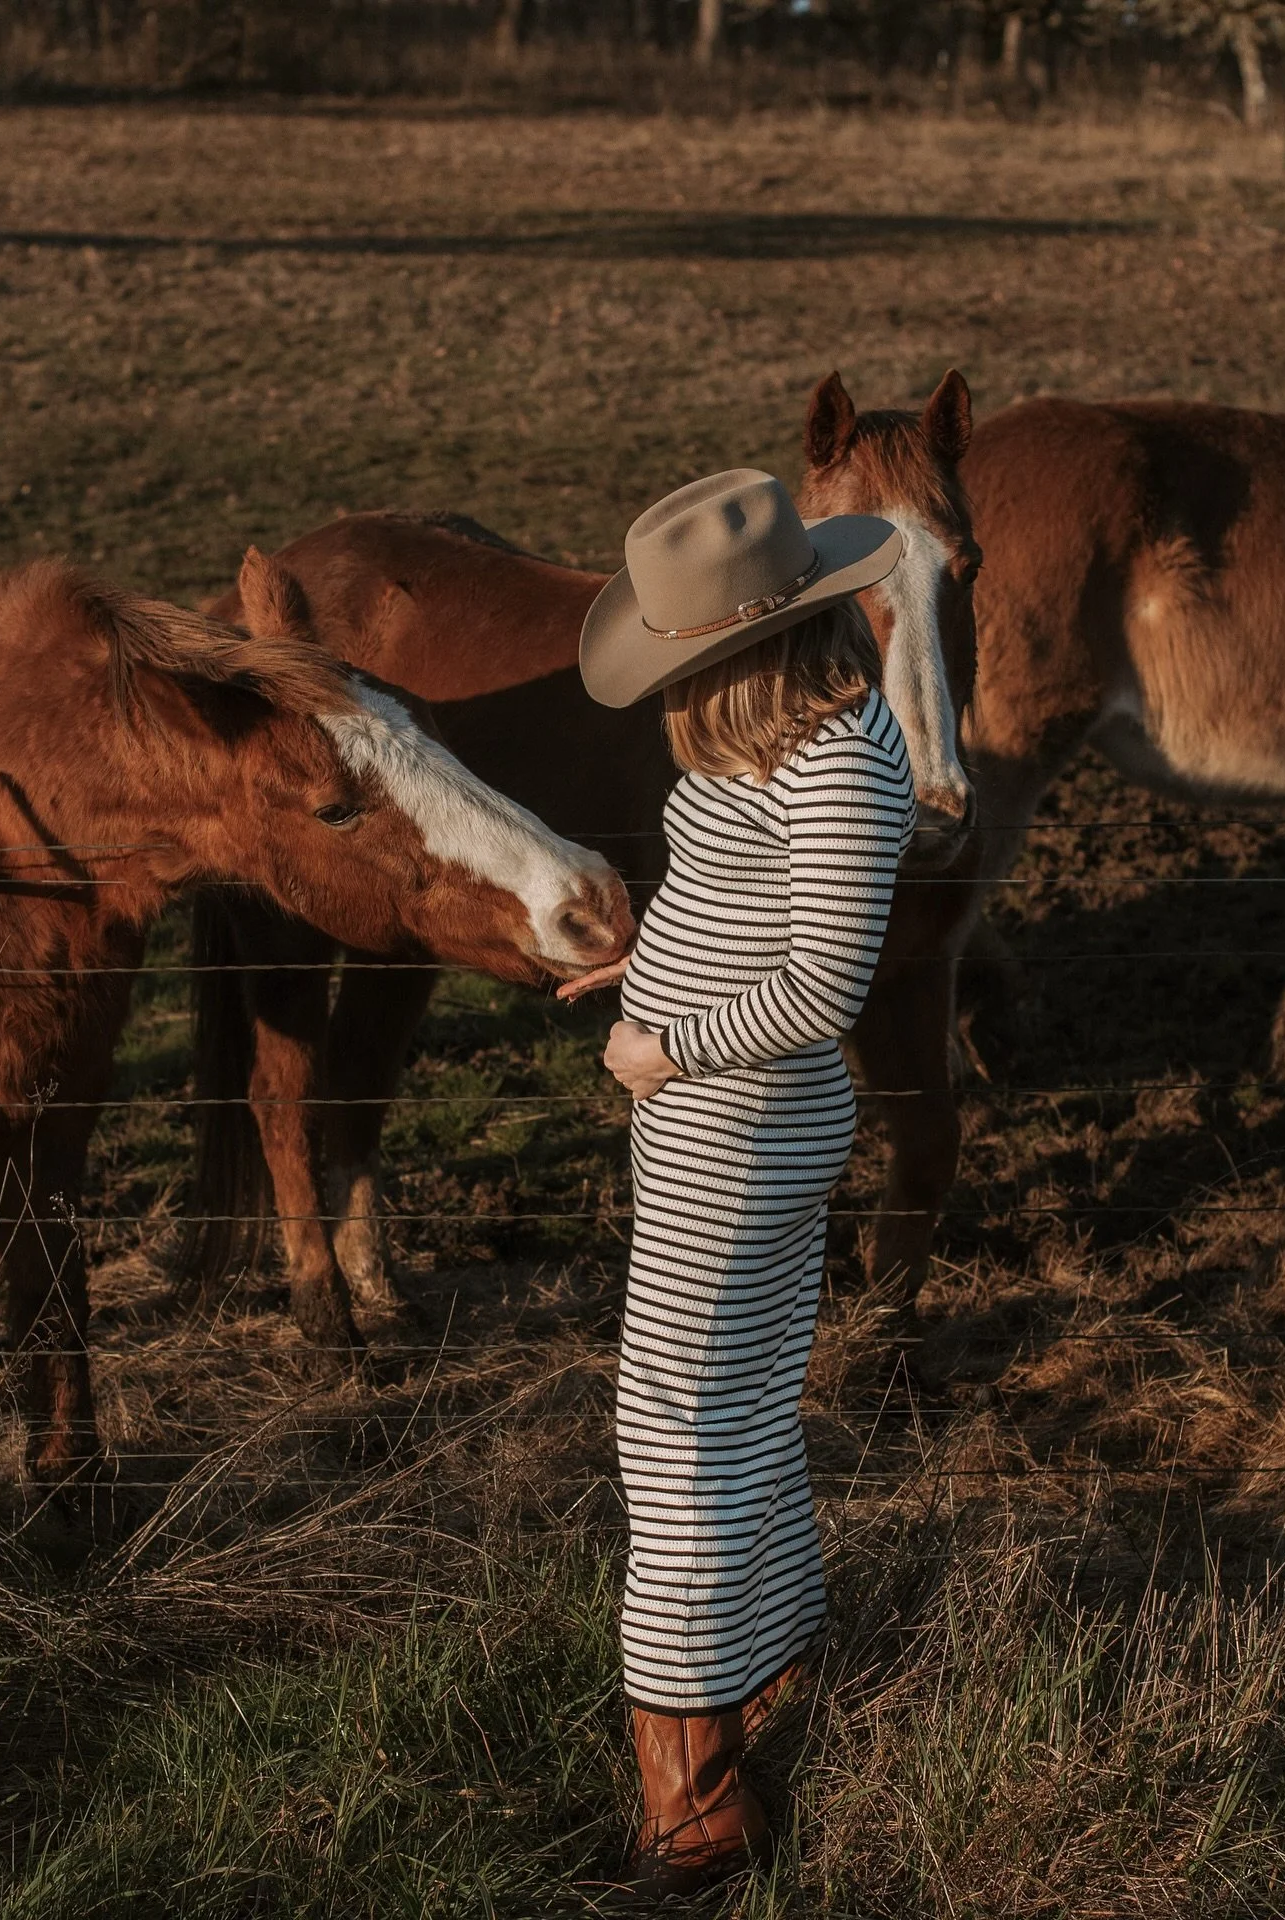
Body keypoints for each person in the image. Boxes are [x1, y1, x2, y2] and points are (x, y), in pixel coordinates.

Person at [558, 468, 913, 1896]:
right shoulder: (778, 742)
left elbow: (825, 985)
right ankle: (765, 1671)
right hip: (714, 1112)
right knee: (734, 1403)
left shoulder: (841, 761)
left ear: (739, 646)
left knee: (672, 1429)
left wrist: (667, 1046)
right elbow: (738, 906)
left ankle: (696, 1805)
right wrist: (639, 972)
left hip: (739, 1122)